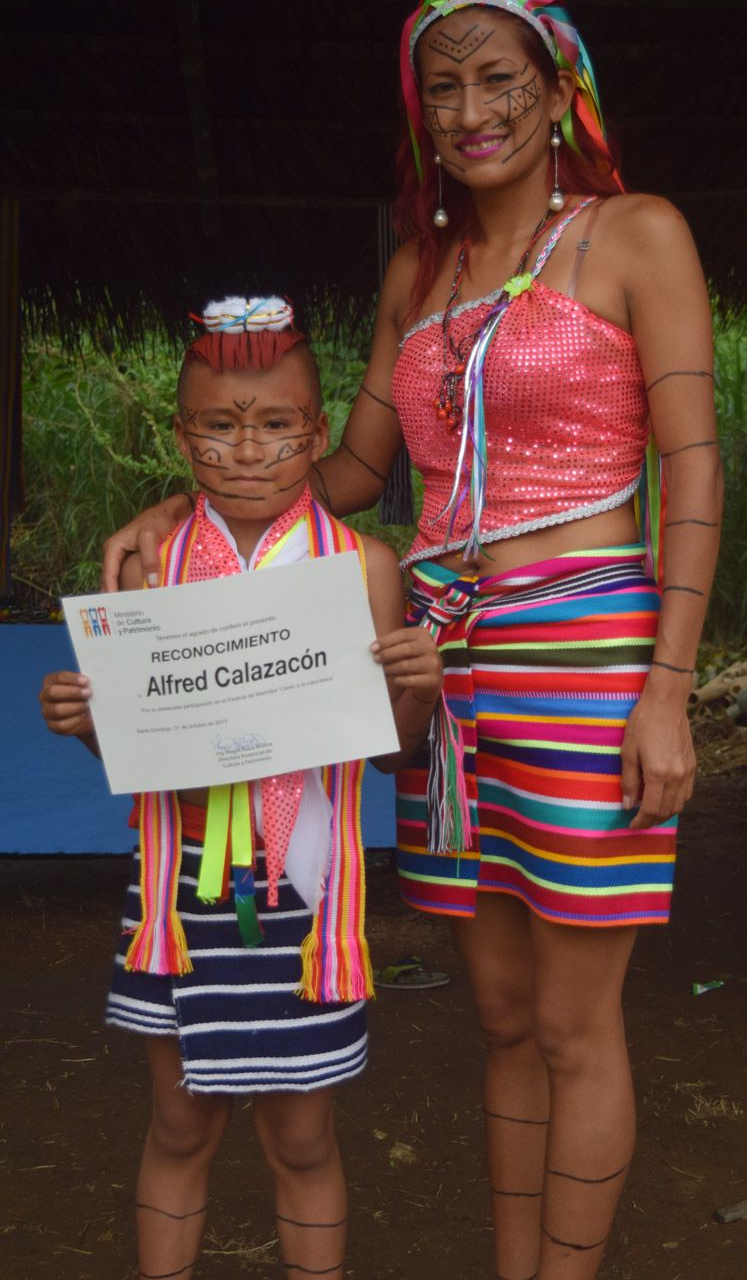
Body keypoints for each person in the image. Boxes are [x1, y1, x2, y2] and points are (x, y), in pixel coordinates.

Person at [101, 0, 723, 1280]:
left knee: (571, 1020)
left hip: (582, 642)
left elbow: (693, 469)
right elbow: (351, 474)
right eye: (442, 86)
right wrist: (178, 501)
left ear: (558, 93)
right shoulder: (418, 269)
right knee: (495, 1014)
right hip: (429, 662)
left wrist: (667, 684)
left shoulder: (634, 235)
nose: (469, 108)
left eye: (499, 79)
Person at [39, 298, 443, 1280]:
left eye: (273, 425)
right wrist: (93, 725)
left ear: (315, 430)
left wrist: (417, 697)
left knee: (303, 1138)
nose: (248, 450)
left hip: (304, 902)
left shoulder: (365, 570)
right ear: (183, 436)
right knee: (178, 1126)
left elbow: (391, 755)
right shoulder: (147, 571)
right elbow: (140, 760)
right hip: (180, 897)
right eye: (219, 426)